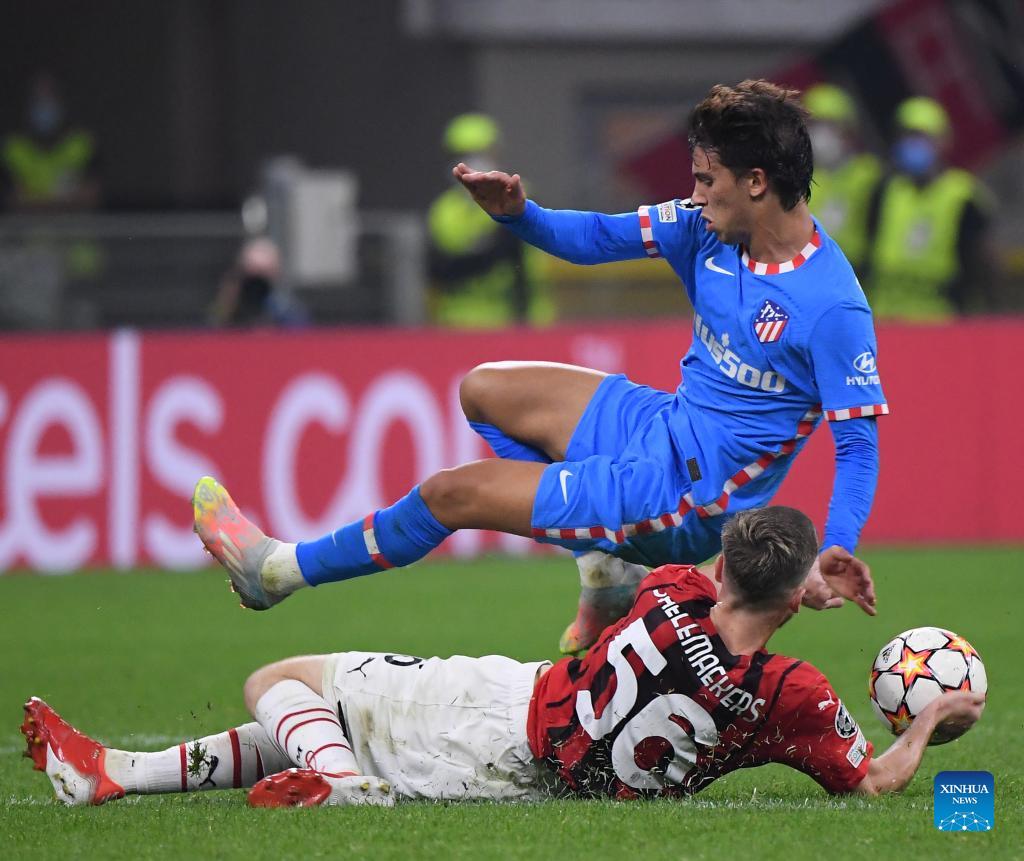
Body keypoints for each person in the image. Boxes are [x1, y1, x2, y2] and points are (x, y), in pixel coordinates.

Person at [192, 80, 885, 653]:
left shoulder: (830, 307)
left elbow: (857, 444)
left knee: (450, 493)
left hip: (679, 498)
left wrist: (837, 546)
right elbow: (594, 238)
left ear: (757, 182)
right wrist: (520, 215)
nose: (696, 194)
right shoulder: (703, 227)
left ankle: (275, 572)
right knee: (484, 390)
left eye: (707, 180)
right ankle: (604, 568)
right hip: (659, 424)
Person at [22, 507, 984, 807]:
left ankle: (345, 789)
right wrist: (936, 716)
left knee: (279, 682)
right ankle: (114, 773)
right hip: (547, 776)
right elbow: (874, 780)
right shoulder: (788, 692)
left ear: (726, 564)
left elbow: (722, 582)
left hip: (500, 710)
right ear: (790, 594)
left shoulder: (666, 589)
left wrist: (798, 577)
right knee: (317, 719)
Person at [865, 96, 994, 320]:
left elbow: (980, 269)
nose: (911, 144)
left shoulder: (963, 197)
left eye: (920, 136)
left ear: (943, 141)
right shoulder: (886, 191)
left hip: (940, 321)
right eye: (906, 136)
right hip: (884, 318)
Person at [427, 113, 554, 327]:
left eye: (481, 152)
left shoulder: (519, 195)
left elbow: (514, 254)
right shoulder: (443, 210)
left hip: (521, 318)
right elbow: (439, 268)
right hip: (460, 321)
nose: (474, 161)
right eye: (465, 154)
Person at [803, 83, 882, 277]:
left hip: (856, 275)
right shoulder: (801, 178)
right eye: (815, 125)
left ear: (848, 130)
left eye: (829, 125)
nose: (821, 134)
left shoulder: (870, 175)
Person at [2, 71, 100, 212]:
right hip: (27, 227)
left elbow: (91, 198)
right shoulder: (12, 149)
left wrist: (33, 200)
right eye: (38, 99)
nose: (44, 105)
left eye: (50, 98)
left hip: (73, 227)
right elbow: (12, 201)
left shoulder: (82, 144)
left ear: (62, 101)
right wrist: (67, 201)